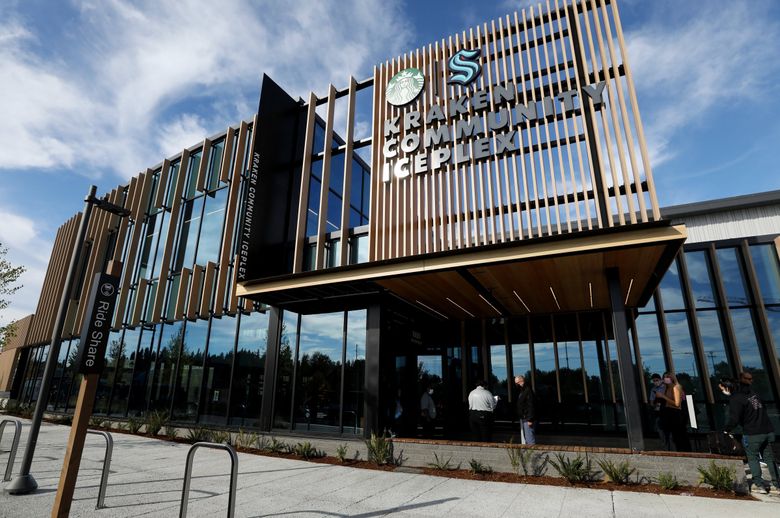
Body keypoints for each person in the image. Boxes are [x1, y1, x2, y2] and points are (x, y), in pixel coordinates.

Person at [724, 372, 780, 495]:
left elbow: (734, 418)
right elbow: (762, 410)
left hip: (752, 432)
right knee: (770, 458)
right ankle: (777, 484)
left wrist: (726, 429)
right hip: (767, 430)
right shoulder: (755, 394)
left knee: (753, 458)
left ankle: (759, 484)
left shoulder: (736, 398)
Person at [655, 371, 691, 451]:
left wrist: (663, 396)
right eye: (664, 377)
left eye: (668, 377)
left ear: (672, 378)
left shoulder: (676, 387)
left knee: (678, 436)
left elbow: (677, 404)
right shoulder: (666, 388)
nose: (666, 379)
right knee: (669, 436)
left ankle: (683, 451)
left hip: (676, 415)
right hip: (668, 414)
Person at [648, 373, 670, 449]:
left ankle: (670, 445)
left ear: (660, 380)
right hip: (658, 411)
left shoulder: (666, 387)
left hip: (667, 411)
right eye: (654, 381)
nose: (655, 382)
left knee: (668, 429)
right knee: (660, 429)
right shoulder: (653, 389)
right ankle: (665, 445)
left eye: (657, 380)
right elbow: (651, 401)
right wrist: (655, 405)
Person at [513, 375, 536, 445]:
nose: (516, 385)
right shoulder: (523, 390)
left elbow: (531, 405)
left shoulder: (527, 390)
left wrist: (530, 419)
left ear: (521, 381)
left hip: (527, 418)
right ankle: (529, 454)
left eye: (517, 383)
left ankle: (532, 454)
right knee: (527, 438)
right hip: (524, 417)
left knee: (530, 439)